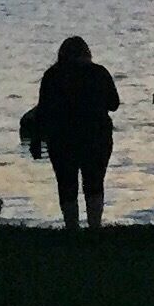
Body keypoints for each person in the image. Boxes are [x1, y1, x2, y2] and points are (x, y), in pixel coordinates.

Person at [33, 36, 121, 231]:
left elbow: (43, 110)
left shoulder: (52, 75)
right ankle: (95, 227)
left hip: (61, 138)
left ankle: (71, 228)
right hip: (96, 135)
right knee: (94, 182)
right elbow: (114, 104)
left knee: (66, 183)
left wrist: (36, 141)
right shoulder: (99, 72)